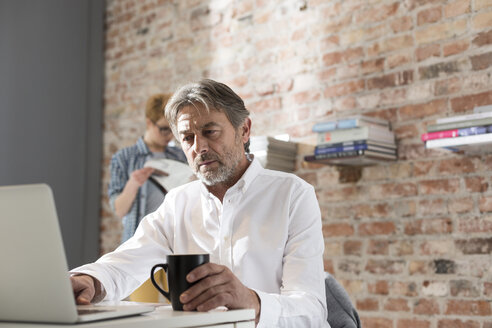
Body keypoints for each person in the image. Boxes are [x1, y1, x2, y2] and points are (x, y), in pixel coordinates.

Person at [70, 79, 329, 327]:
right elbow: (126, 263)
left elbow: (312, 310)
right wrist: (91, 280)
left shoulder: (292, 195)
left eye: (210, 132)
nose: (199, 147)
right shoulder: (178, 202)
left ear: (245, 129)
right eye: (187, 137)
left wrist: (252, 302)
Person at [107, 93, 186, 302]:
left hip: (177, 247)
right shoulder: (125, 158)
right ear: (148, 123)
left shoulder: (181, 156)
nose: (168, 135)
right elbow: (119, 209)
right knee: (144, 312)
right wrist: (134, 183)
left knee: (179, 312)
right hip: (141, 247)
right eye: (163, 128)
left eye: (172, 129)